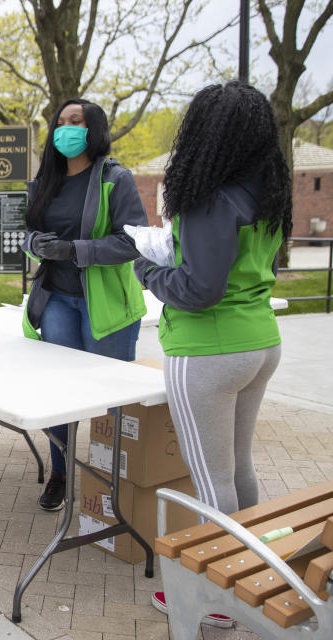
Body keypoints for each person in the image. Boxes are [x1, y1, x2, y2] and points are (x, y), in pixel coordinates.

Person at [134, 82, 290, 625]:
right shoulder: (266, 189)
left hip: (208, 351)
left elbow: (200, 289)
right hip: (260, 342)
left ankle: (220, 603)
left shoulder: (209, 195)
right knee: (239, 469)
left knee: (211, 483)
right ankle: (258, 576)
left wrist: (148, 269)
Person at [21, 99, 148, 511]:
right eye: (60, 123)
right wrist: (35, 244)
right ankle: (60, 472)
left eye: (75, 122)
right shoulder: (45, 182)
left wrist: (75, 249)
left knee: (108, 400)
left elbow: (132, 241)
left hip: (106, 307)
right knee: (62, 395)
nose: (66, 130)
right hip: (56, 300)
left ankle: (112, 481)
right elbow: (27, 234)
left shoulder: (116, 178)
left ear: (93, 129)